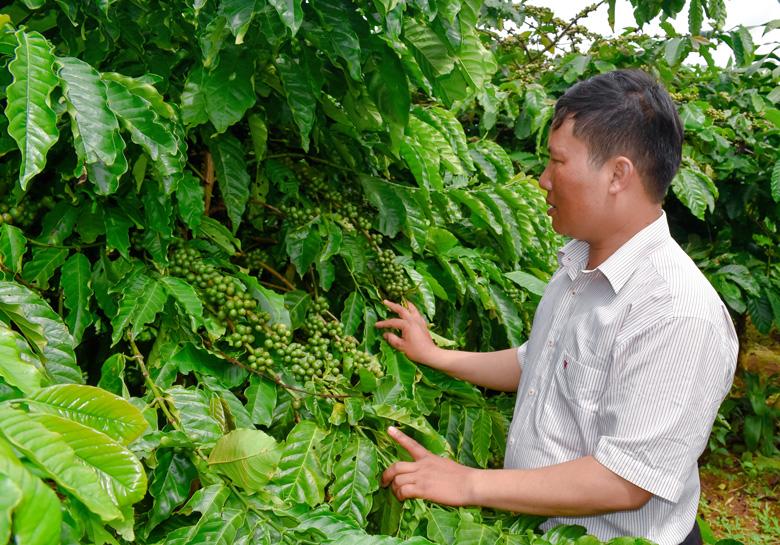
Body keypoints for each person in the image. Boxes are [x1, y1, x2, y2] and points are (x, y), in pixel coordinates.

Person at [375, 69, 738, 545]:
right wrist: (435, 355)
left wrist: (468, 482)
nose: (542, 180)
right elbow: (539, 362)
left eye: (556, 162)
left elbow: (627, 481)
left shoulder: (676, 312)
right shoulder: (578, 266)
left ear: (617, 174)